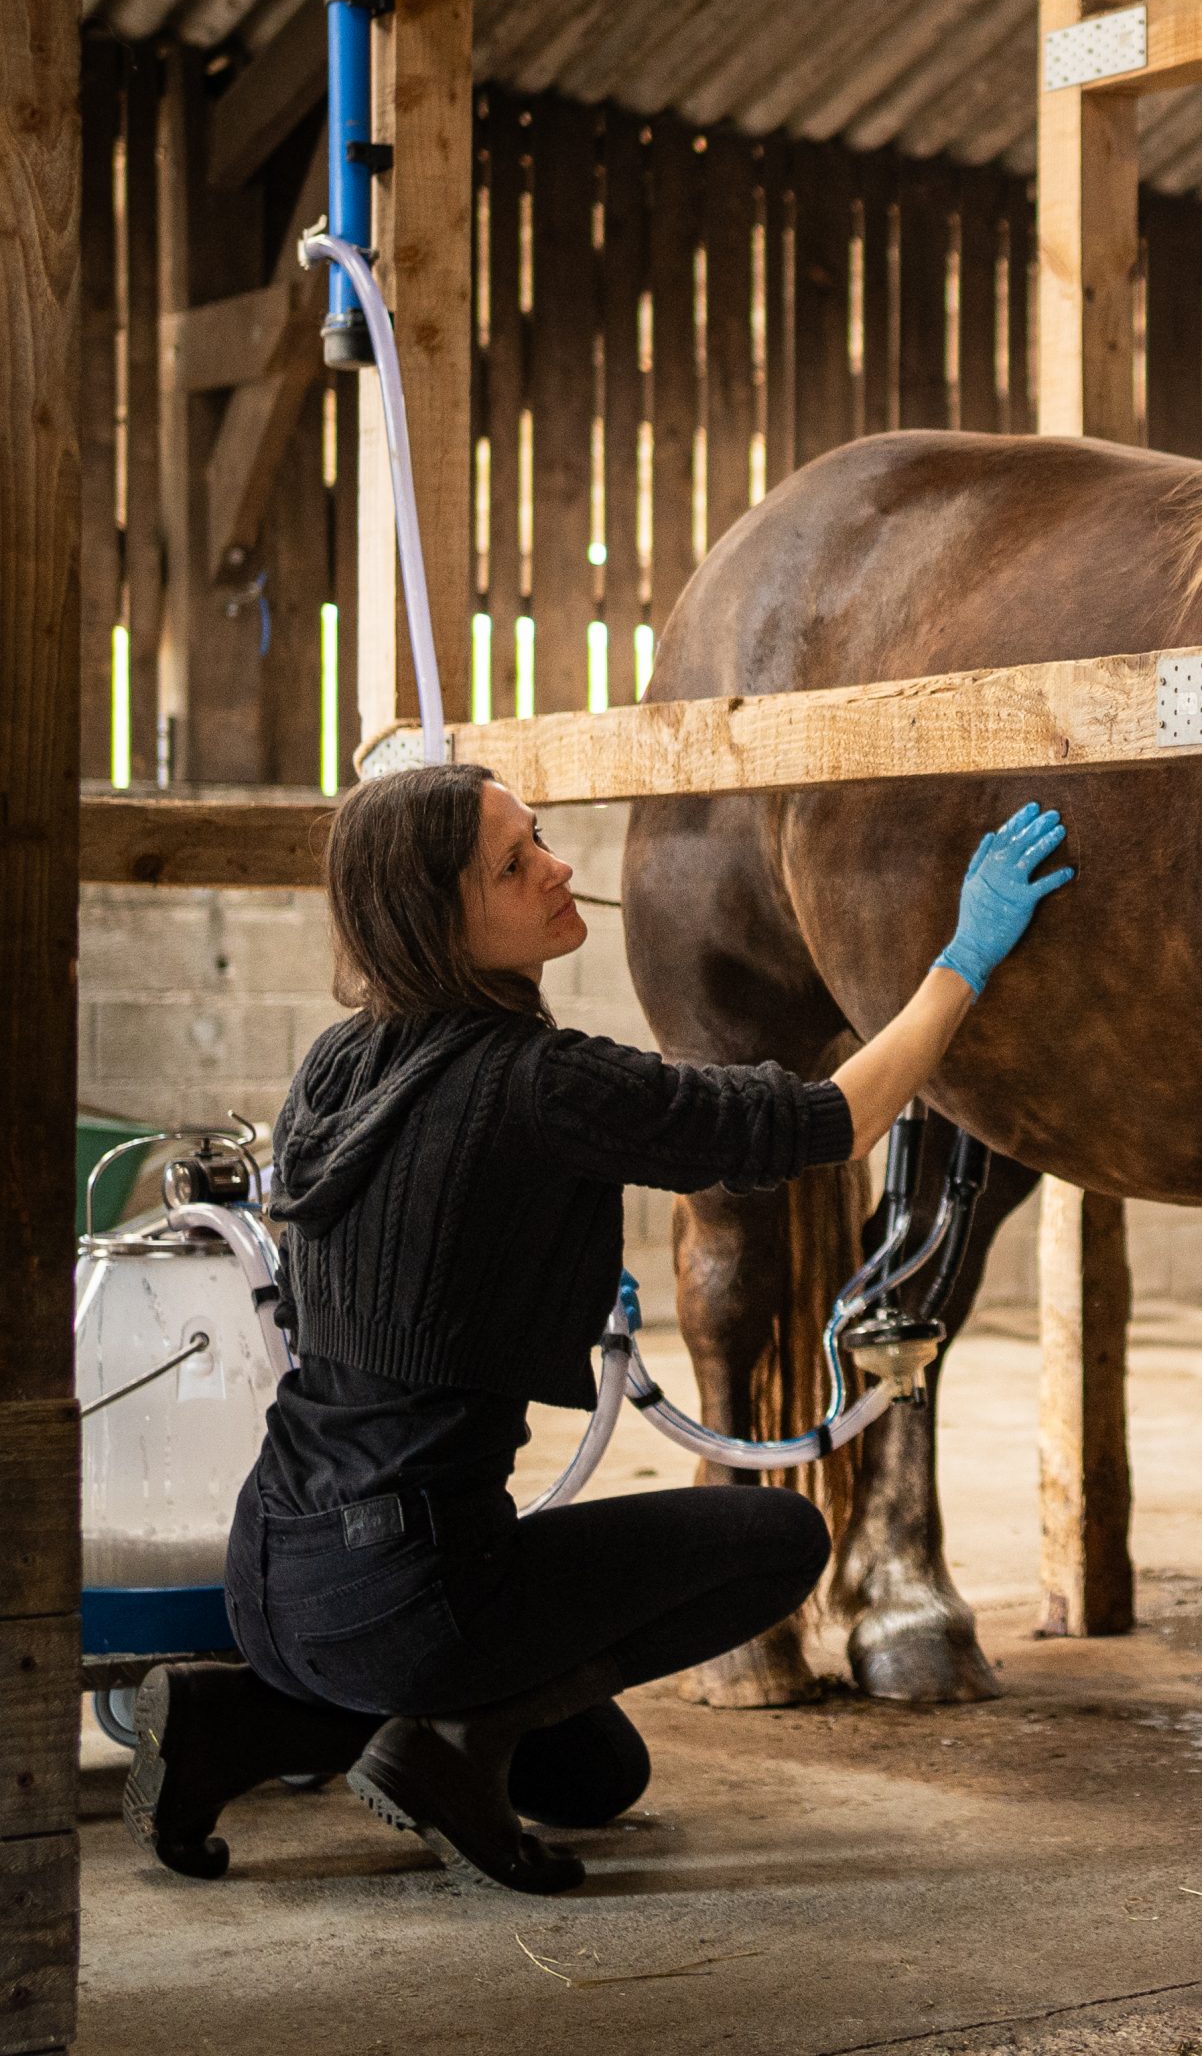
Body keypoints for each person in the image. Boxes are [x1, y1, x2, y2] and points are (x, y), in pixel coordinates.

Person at [122, 763, 1070, 1895]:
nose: (558, 867)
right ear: (440, 916)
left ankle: (240, 1717)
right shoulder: (544, 1082)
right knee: (781, 1544)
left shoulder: (336, 1061)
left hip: (269, 1568)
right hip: (414, 1591)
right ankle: (452, 1741)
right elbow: (836, 1120)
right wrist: (964, 956)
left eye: (542, 838)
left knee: (596, 1774)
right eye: (514, 864)